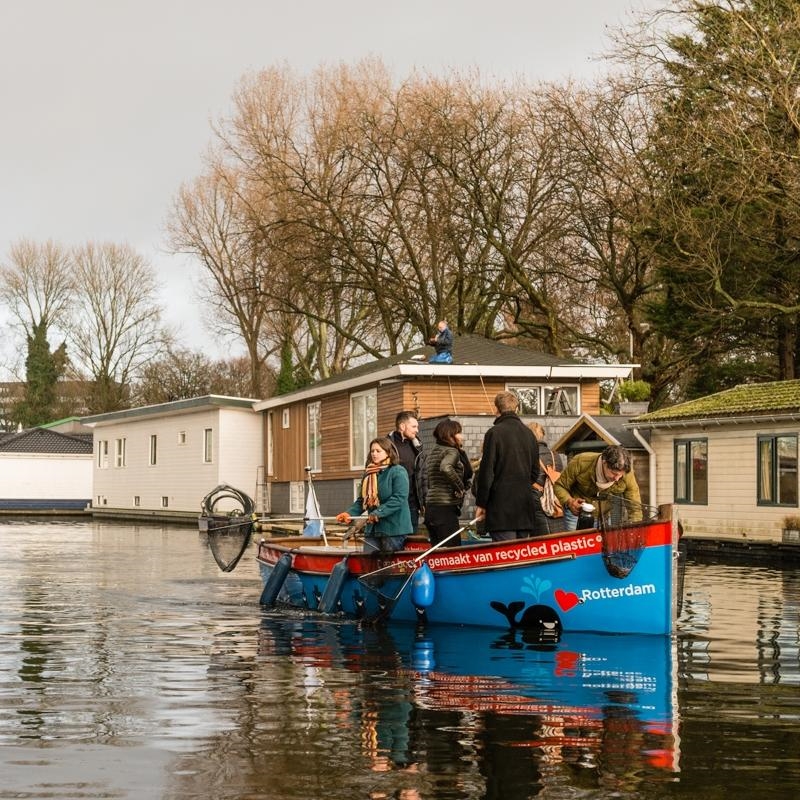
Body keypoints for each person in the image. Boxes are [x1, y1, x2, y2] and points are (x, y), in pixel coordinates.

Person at [474, 391, 539, 541]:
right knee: (522, 558)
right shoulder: (529, 434)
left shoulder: (494, 433)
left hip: (501, 509)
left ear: (496, 409)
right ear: (517, 408)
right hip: (524, 507)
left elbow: (487, 472)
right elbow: (535, 472)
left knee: (506, 557)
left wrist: (481, 503)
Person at [336, 436, 412, 554]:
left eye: (378, 451)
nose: (374, 454)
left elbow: (399, 498)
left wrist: (378, 513)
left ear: (388, 452)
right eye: (372, 451)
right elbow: (362, 501)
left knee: (389, 567)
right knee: (368, 561)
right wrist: (349, 514)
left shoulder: (398, 471)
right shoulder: (369, 473)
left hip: (393, 529)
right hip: (373, 529)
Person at [554, 444, 643, 526]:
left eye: (620, 475)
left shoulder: (627, 473)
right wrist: (570, 502)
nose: (617, 478)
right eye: (614, 473)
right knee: (576, 542)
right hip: (576, 515)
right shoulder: (580, 461)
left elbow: (634, 506)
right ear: (604, 463)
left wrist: (635, 528)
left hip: (604, 518)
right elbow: (559, 486)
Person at [424, 418, 473, 547]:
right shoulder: (451, 451)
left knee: (437, 552)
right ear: (450, 435)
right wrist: (460, 488)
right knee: (452, 552)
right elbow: (446, 468)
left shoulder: (435, 451)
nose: (462, 436)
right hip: (445, 509)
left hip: (431, 507)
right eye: (459, 433)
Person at [388, 411, 427, 534]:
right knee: (395, 538)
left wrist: (424, 501)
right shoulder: (386, 445)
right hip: (393, 501)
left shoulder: (417, 447)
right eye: (414, 427)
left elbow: (423, 475)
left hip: (412, 503)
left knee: (412, 537)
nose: (417, 431)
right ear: (402, 426)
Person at [528, 422, 566, 536]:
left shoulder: (528, 455)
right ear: (543, 435)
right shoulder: (555, 455)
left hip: (537, 502)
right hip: (556, 502)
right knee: (557, 541)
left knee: (541, 543)